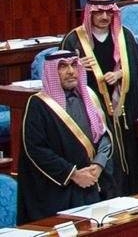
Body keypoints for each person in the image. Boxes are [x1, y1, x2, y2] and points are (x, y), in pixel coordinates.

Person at [60, 0, 138, 195]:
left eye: (108, 12)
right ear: (89, 13)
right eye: (99, 12)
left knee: (130, 156)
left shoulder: (124, 35)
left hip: (124, 108)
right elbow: (61, 77)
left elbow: (137, 68)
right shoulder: (74, 40)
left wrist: (121, 74)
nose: (104, 17)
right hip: (92, 109)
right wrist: (76, 69)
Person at [18, 51, 113, 223]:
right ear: (51, 72)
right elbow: (36, 150)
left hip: (92, 183)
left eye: (73, 65)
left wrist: (99, 164)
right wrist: (74, 174)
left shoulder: (89, 96)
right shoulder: (37, 105)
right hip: (57, 191)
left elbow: (104, 134)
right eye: (63, 67)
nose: (70, 71)